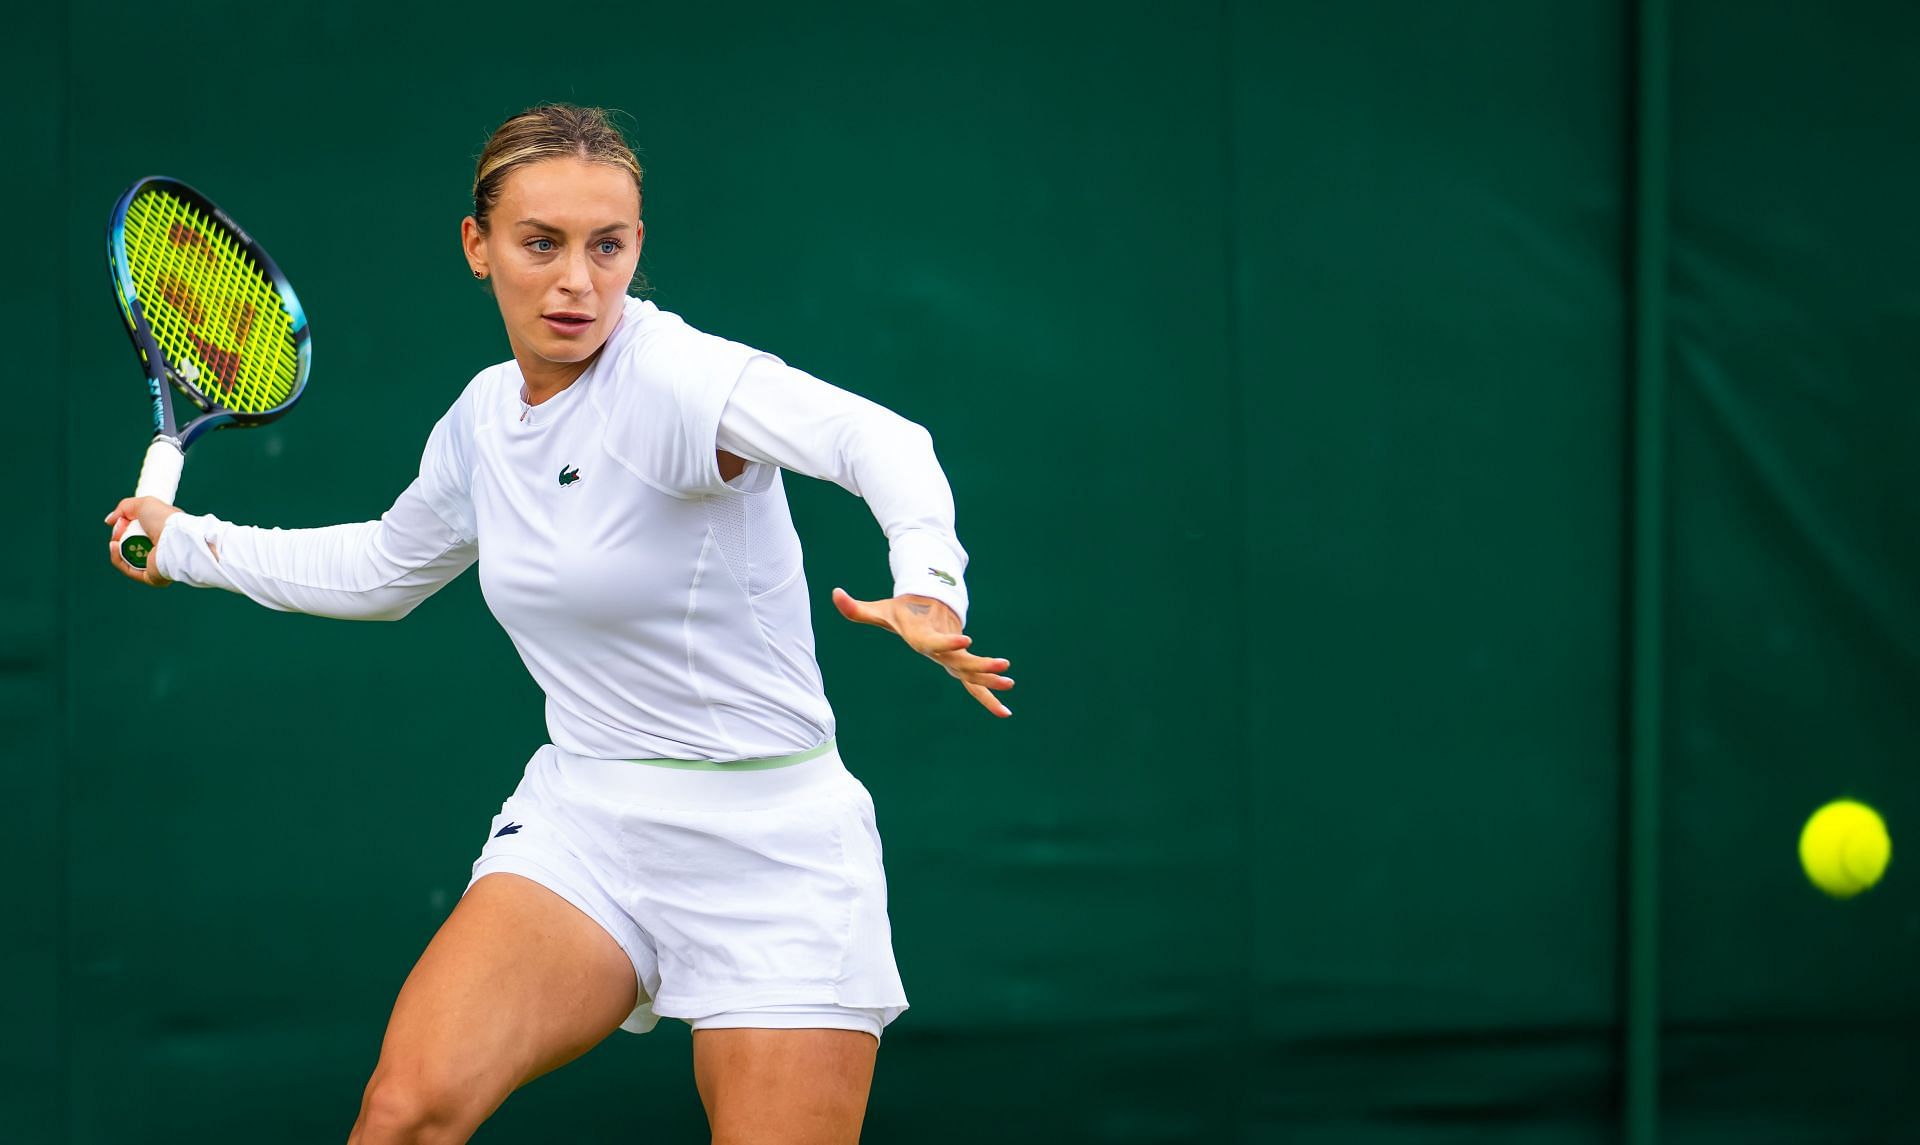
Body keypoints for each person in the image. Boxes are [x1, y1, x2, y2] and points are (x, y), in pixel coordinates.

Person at [104, 103, 1011, 1145]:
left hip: (778, 851)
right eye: (542, 244)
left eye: (608, 246)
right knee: (403, 1114)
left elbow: (878, 440)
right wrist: (186, 543)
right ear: (477, 247)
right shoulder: (485, 419)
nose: (578, 281)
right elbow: (382, 568)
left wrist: (930, 580)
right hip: (591, 823)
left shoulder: (674, 378)